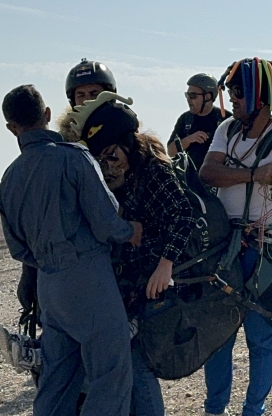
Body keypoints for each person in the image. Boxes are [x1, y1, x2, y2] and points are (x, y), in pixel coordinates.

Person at [0, 84, 142, 416]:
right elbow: (106, 223)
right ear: (47, 114)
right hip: (90, 280)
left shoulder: (9, 179)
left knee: (56, 381)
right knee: (110, 376)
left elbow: (18, 248)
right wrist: (130, 231)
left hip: (49, 287)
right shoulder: (74, 158)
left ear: (11, 128)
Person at [199, 58, 272, 416]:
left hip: (262, 250)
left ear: (260, 99)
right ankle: (214, 409)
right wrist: (253, 175)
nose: (232, 99)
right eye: (231, 91)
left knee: (259, 335)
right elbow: (207, 173)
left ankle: (254, 410)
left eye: (238, 92)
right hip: (223, 247)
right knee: (218, 335)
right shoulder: (227, 130)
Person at [72, 92, 195, 416]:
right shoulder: (121, 177)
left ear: (127, 143)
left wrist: (165, 266)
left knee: (138, 363)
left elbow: (184, 215)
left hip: (154, 284)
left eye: (111, 155)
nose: (108, 165)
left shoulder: (154, 171)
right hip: (129, 285)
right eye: (101, 159)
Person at [167, 73, 232, 170]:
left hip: (217, 176)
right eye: (187, 95)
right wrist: (189, 139)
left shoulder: (226, 119)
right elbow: (171, 152)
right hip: (190, 178)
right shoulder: (185, 119)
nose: (188, 99)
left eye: (193, 96)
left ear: (208, 97)